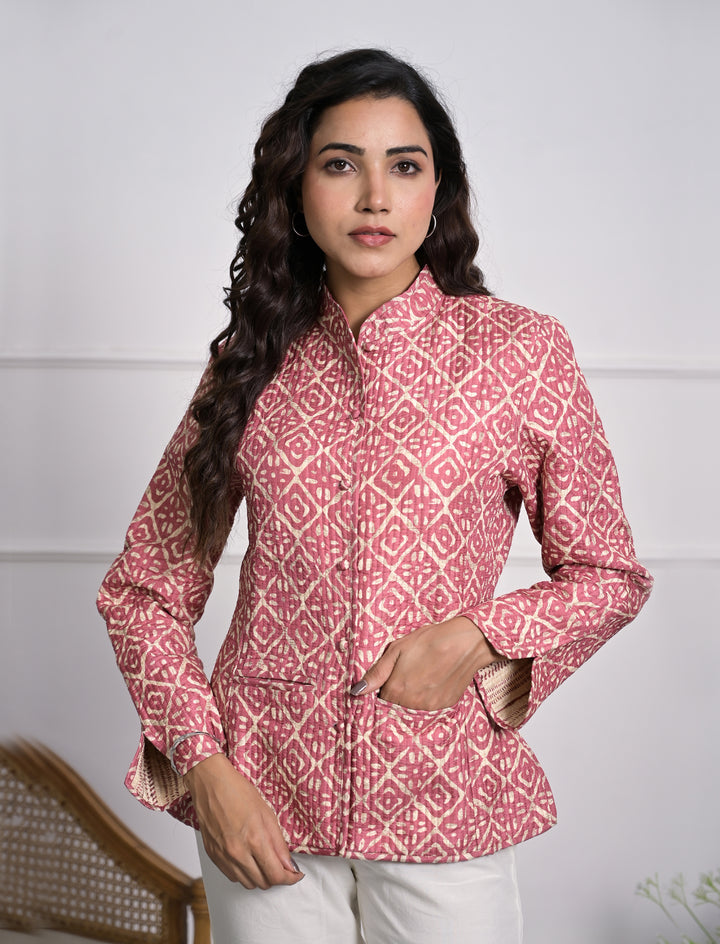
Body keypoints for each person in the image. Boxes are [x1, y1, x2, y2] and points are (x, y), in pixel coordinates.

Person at [97, 48, 653, 944]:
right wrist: (206, 767)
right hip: (263, 805)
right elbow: (143, 591)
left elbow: (608, 575)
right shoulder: (248, 363)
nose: (374, 197)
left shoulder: (520, 353)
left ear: (439, 189)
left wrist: (479, 638)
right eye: (340, 164)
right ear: (295, 188)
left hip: (442, 796)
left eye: (404, 165)